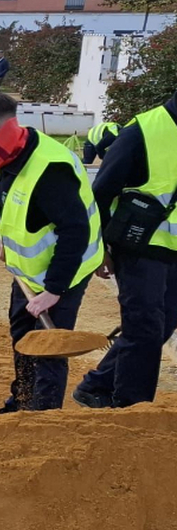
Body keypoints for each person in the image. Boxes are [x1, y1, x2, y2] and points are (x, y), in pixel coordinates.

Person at [0, 93, 103, 412]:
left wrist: (54, 291)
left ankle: (41, 421)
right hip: (27, 270)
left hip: (66, 271)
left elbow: (75, 231)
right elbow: (6, 202)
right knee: (22, 335)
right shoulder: (1, 158)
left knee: (48, 347)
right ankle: (22, 403)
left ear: (8, 129)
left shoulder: (52, 170)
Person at [73, 91, 177, 409]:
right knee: (144, 324)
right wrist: (99, 248)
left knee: (161, 323)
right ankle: (132, 407)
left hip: (172, 248)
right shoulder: (142, 132)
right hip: (139, 246)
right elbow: (100, 194)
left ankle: (97, 385)